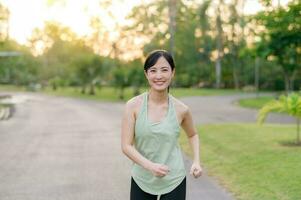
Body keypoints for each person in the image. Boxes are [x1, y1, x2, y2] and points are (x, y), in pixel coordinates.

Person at [121, 50, 202, 200]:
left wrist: (196, 161)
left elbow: (193, 134)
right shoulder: (133, 106)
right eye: (153, 70)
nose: (159, 76)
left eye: (164, 70)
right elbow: (126, 146)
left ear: (172, 73)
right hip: (142, 179)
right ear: (146, 74)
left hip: (174, 179)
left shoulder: (181, 109)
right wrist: (150, 166)